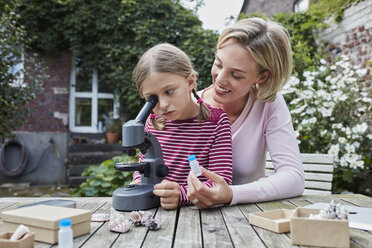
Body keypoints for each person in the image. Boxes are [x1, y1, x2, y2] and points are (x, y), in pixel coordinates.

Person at [187, 17, 305, 208]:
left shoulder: (268, 105)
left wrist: (231, 194)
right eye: (218, 64)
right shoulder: (188, 105)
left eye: (236, 75)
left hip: (248, 222)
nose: (221, 80)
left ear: (262, 76)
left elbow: (294, 177)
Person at [131, 43, 233, 209]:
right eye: (152, 98)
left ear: (190, 81)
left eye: (169, 91)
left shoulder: (216, 122)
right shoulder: (152, 123)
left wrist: (183, 195)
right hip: (156, 212)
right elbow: (144, 167)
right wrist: (138, 180)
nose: (163, 105)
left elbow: (221, 183)